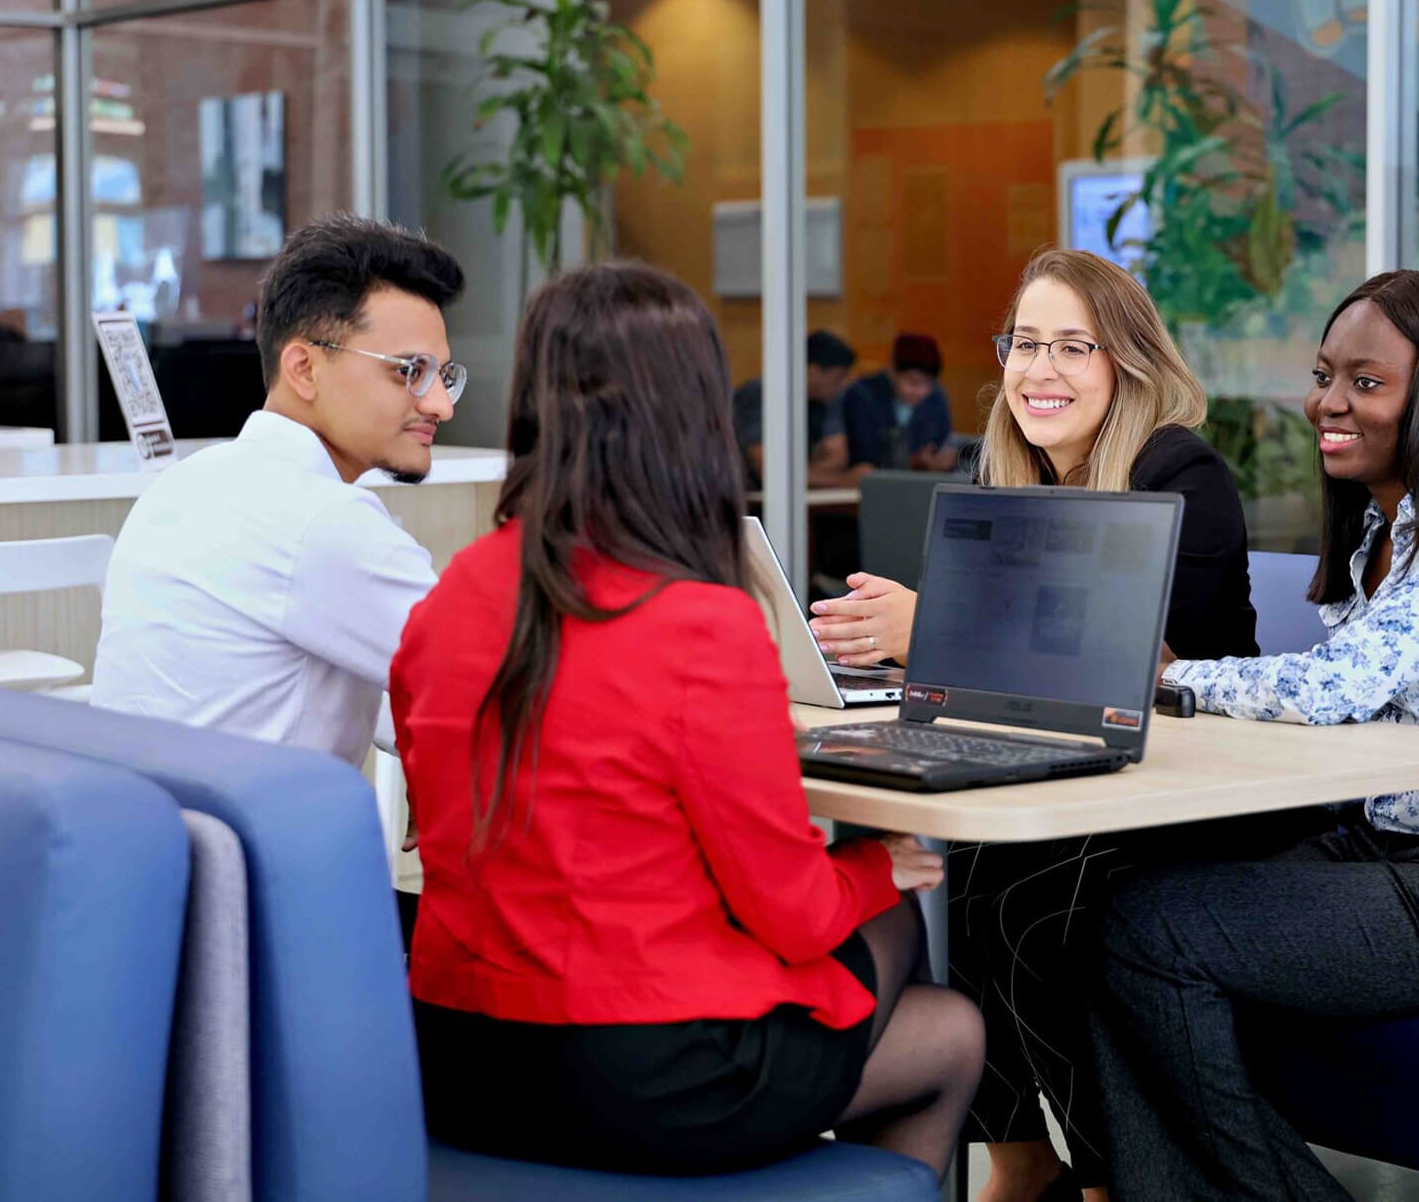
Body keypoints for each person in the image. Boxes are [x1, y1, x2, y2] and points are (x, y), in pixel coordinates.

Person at [391, 262, 984, 1181]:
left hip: (459, 1059)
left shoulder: (447, 598)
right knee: (944, 1016)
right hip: (648, 1074)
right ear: (691, 419)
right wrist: (877, 865)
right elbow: (791, 914)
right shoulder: (699, 622)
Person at [1087, 269, 1419, 1201]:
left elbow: (1343, 685)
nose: (1326, 402)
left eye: (1365, 383)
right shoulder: (1383, 520)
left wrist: (1168, 677)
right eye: (1325, 374)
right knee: (1111, 903)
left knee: (1152, 932)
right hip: (1397, 845)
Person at [809, 248, 1258, 1202]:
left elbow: (1118, 662)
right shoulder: (1005, 474)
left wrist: (931, 629)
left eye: (1071, 346)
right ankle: (1019, 1162)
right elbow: (1013, 692)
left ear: (1126, 363)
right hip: (1079, 783)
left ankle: (1103, 1176)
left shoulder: (1183, 471)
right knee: (968, 867)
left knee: (1027, 893)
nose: (1038, 370)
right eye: (1023, 343)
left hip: (1205, 793)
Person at [91, 213, 465, 766]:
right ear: (304, 369)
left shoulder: (184, 486)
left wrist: (422, 734)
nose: (441, 405)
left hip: (152, 838)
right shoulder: (325, 523)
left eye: (443, 375)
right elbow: (498, 685)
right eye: (409, 371)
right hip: (253, 847)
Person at [733, 329, 864, 489]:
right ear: (813, 370)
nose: (844, 385)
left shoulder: (825, 400)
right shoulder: (764, 394)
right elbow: (768, 469)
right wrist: (841, 481)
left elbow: (838, 457)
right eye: (839, 377)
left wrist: (802, 474)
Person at [840, 333, 960, 471]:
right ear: (892, 369)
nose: (920, 391)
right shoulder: (862, 395)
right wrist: (914, 462)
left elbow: (943, 443)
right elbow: (863, 459)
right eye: (912, 381)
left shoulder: (936, 398)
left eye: (928, 383)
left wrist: (942, 460)